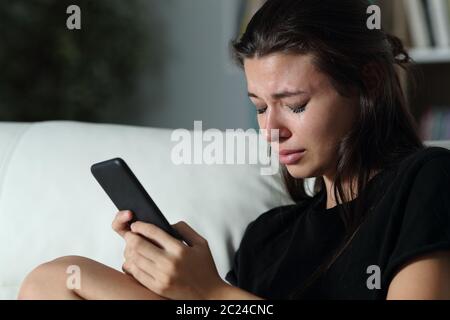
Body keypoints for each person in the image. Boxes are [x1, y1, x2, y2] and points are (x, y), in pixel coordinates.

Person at [18, 0, 450, 300]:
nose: (272, 130)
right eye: (260, 108)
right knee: (58, 279)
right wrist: (173, 282)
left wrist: (211, 292)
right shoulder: (268, 236)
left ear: (368, 82)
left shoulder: (425, 181)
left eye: (295, 105)